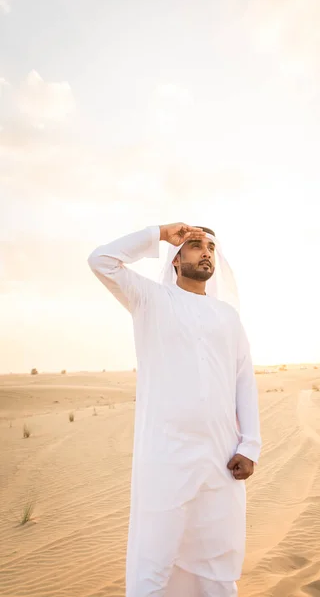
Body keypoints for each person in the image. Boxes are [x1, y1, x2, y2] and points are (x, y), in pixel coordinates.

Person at [87, 222, 261, 597]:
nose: (206, 252)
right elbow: (101, 261)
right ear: (176, 260)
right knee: (156, 554)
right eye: (196, 245)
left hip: (220, 455)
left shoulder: (228, 317)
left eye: (211, 247)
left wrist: (250, 446)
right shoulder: (150, 299)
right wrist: (160, 233)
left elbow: (244, 382)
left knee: (218, 555)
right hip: (165, 455)